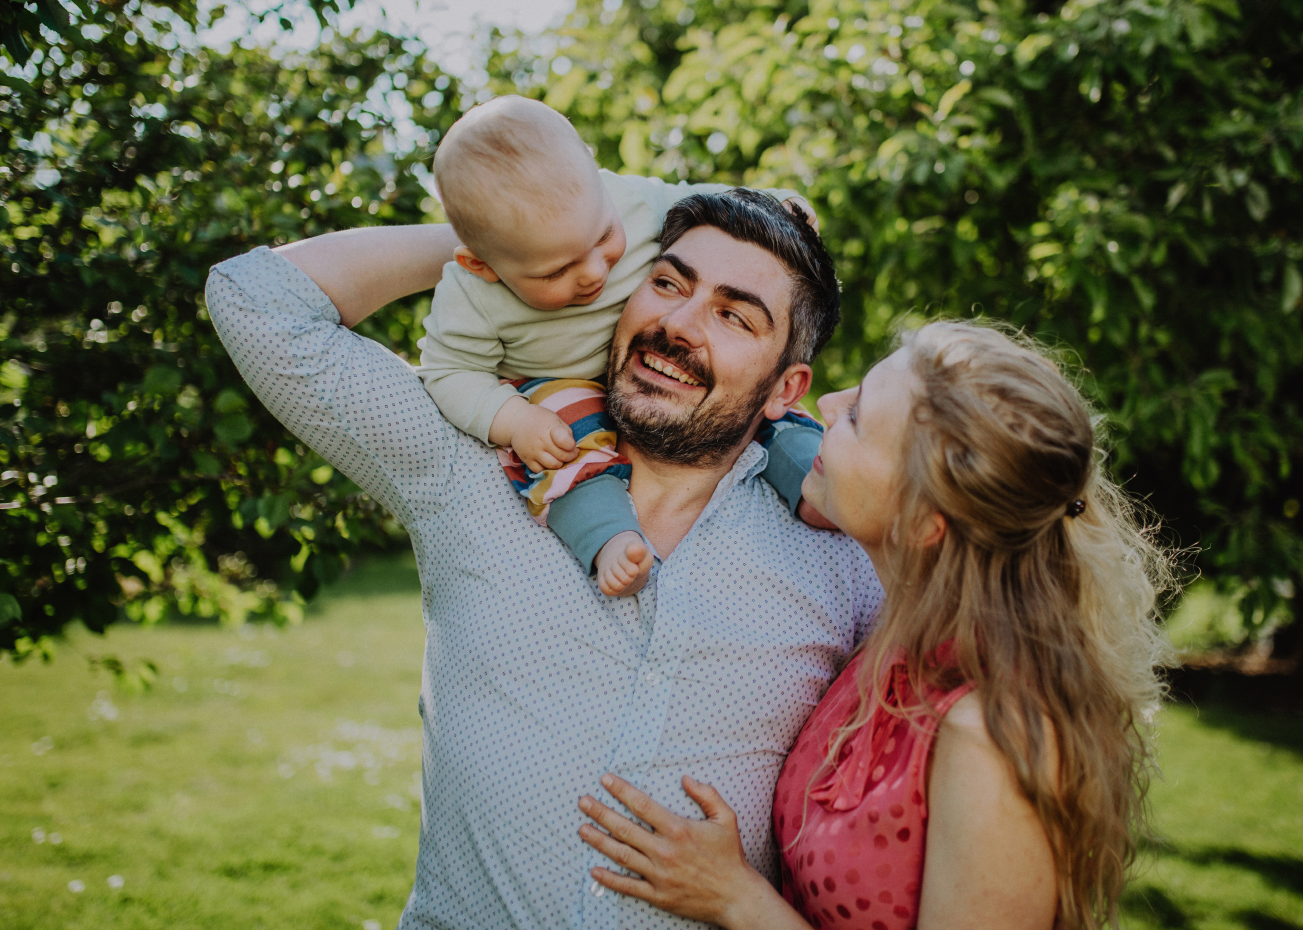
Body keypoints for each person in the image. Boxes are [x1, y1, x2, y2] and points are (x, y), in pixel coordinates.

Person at [205, 188, 883, 930]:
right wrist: (522, 240)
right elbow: (254, 299)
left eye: (733, 314)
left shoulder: (847, 554)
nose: (677, 324)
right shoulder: (476, 464)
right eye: (667, 282)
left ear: (788, 388)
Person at [576, 322, 1175, 930]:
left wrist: (738, 900)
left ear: (922, 522)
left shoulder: (993, 734)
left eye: (858, 417)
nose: (828, 405)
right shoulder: (895, 642)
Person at [420, 96, 827, 595]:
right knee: (560, 449)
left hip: (677, 384)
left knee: (776, 420)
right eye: (555, 269)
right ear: (479, 264)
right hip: (560, 390)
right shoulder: (470, 295)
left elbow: (713, 207)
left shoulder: (627, 200)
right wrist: (513, 419)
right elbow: (447, 372)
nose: (594, 272)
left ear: (598, 174)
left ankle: (822, 485)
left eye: (604, 237)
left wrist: (779, 201)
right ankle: (607, 538)